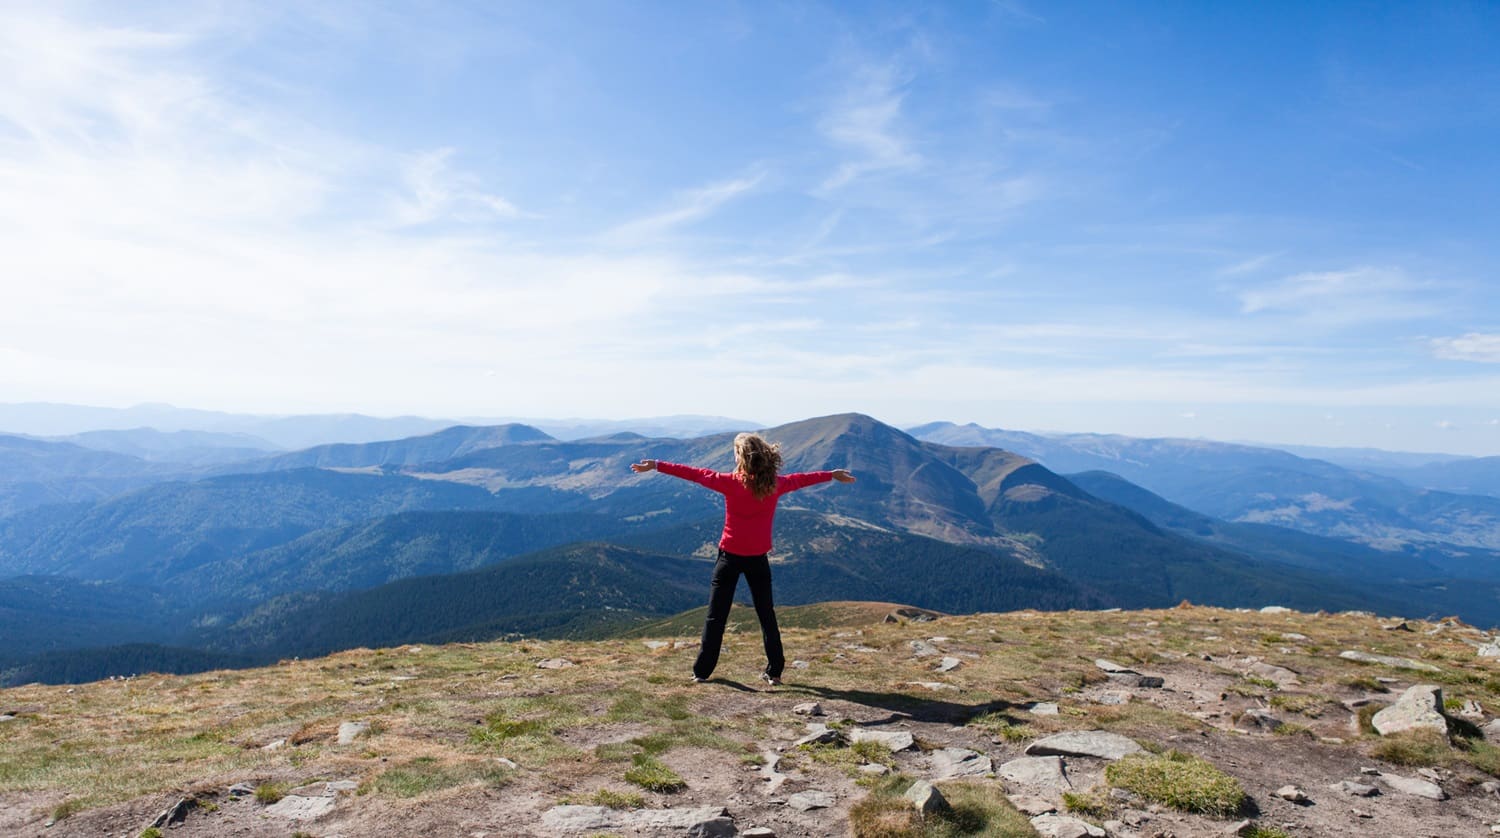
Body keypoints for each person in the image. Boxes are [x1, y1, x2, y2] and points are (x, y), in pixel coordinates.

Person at [631, 432, 855, 686]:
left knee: (716, 616)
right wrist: (831, 475)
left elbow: (694, 473)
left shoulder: (729, 482)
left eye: (735, 452)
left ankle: (702, 672)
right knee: (766, 615)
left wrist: (657, 465)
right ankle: (775, 671)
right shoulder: (775, 485)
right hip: (758, 559)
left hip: (729, 558)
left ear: (741, 457)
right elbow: (802, 480)